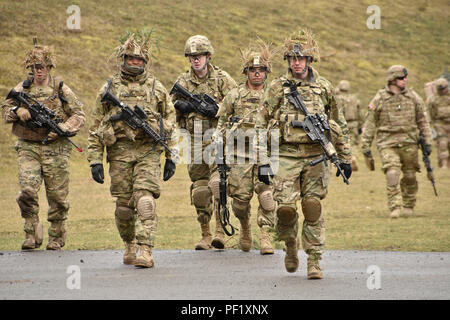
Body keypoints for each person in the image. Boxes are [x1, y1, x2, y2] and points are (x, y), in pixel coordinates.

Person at [256, 29, 352, 278]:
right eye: (291, 58)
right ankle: (290, 245)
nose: (296, 63)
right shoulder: (278, 88)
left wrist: (345, 157)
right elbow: (260, 124)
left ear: (309, 60)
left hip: (316, 156)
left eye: (300, 58)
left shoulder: (324, 88)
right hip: (286, 154)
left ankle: (314, 260)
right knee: (285, 210)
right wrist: (263, 161)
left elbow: (338, 123)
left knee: (312, 206)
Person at [87, 30, 178, 268]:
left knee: (145, 201)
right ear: (124, 59)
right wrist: (95, 160)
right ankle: (129, 244)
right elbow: (96, 126)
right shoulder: (109, 89)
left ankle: (146, 251)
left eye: (139, 59)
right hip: (119, 153)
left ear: (145, 61)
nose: (135, 62)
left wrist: (172, 156)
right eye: (130, 58)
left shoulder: (157, 88)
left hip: (148, 151)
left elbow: (171, 122)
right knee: (124, 208)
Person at [1, 39, 85, 250]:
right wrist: (18, 112)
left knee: (58, 197)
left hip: (56, 149)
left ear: (49, 67)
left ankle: (56, 236)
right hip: (29, 147)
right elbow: (5, 109)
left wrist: (64, 129)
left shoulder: (61, 89)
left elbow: (79, 114)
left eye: (42, 67)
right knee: (27, 190)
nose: (38, 71)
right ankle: (31, 233)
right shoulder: (23, 88)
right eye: (34, 67)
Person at [171, 35, 236, 250]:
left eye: (199, 56)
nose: (195, 60)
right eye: (192, 57)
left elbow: (238, 104)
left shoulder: (222, 79)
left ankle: (219, 232)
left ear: (208, 56)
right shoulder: (182, 81)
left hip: (217, 139)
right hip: (193, 141)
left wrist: (217, 109)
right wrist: (185, 106)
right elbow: (169, 109)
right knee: (200, 191)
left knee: (218, 184)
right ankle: (205, 234)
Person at [215, 39, 276, 254]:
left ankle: (266, 236)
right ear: (246, 72)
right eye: (253, 70)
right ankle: (245, 227)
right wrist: (223, 141)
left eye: (261, 70)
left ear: (266, 72)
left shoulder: (273, 96)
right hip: (239, 155)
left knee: (267, 196)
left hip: (267, 155)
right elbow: (220, 125)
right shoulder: (234, 95)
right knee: (240, 202)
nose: (257, 74)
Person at [361, 65, 432, 218]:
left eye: (405, 77)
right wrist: (365, 145)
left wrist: (428, 140)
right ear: (392, 79)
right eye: (401, 78)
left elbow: (423, 120)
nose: (404, 80)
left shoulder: (413, 97)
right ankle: (395, 206)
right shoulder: (379, 98)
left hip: (410, 143)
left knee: (410, 176)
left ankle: (408, 204)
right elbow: (370, 123)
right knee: (392, 173)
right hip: (387, 143)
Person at [336, 80, 363, 171]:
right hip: (354, 124)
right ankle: (354, 157)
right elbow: (360, 113)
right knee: (354, 143)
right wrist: (360, 126)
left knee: (342, 142)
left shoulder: (338, 99)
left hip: (342, 124)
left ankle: (347, 159)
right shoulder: (355, 99)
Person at [426, 78, 450, 168]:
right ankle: (443, 164)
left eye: (444, 88)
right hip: (439, 124)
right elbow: (430, 112)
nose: (443, 91)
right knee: (442, 144)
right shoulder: (433, 99)